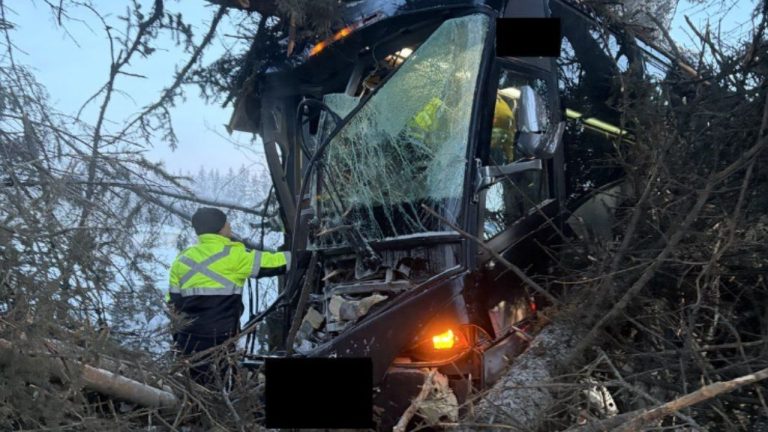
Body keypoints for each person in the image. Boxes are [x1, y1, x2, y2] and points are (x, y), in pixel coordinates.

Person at [166, 207, 291, 385]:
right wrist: (302, 255)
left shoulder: (182, 259)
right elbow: (274, 263)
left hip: (188, 338)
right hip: (220, 338)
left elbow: (172, 303)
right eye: (227, 223)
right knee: (222, 385)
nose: (230, 226)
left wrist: (178, 338)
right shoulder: (233, 255)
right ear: (220, 228)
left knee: (197, 387)